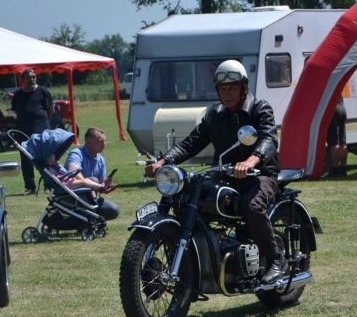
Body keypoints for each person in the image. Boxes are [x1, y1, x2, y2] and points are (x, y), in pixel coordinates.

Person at [144, 59, 286, 284]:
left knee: (251, 205)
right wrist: (163, 161)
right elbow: (191, 143)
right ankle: (188, 265)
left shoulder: (259, 109)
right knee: (185, 201)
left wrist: (251, 161)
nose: (227, 94)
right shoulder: (215, 115)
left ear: (244, 88)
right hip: (226, 177)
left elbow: (268, 139)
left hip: (260, 176)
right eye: (223, 89)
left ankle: (275, 259)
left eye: (232, 88)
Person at [11, 69, 54, 195]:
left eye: (34, 77)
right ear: (23, 79)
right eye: (29, 77)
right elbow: (15, 112)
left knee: (45, 158)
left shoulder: (43, 91)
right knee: (26, 160)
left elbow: (50, 110)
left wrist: (46, 125)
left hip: (41, 131)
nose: (32, 79)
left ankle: (48, 185)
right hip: (23, 131)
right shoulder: (18, 94)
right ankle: (30, 187)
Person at [64, 127, 120, 221]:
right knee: (93, 180)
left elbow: (100, 184)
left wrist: (106, 186)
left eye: (104, 141)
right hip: (72, 196)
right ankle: (86, 220)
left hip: (91, 199)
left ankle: (89, 220)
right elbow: (73, 171)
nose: (104, 145)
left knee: (113, 210)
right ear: (89, 142)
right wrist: (89, 184)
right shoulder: (76, 154)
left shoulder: (101, 160)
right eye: (100, 141)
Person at [326, 97, 348, 177]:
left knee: (334, 143)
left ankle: (335, 170)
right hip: (342, 108)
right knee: (342, 143)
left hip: (334, 109)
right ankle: (343, 169)